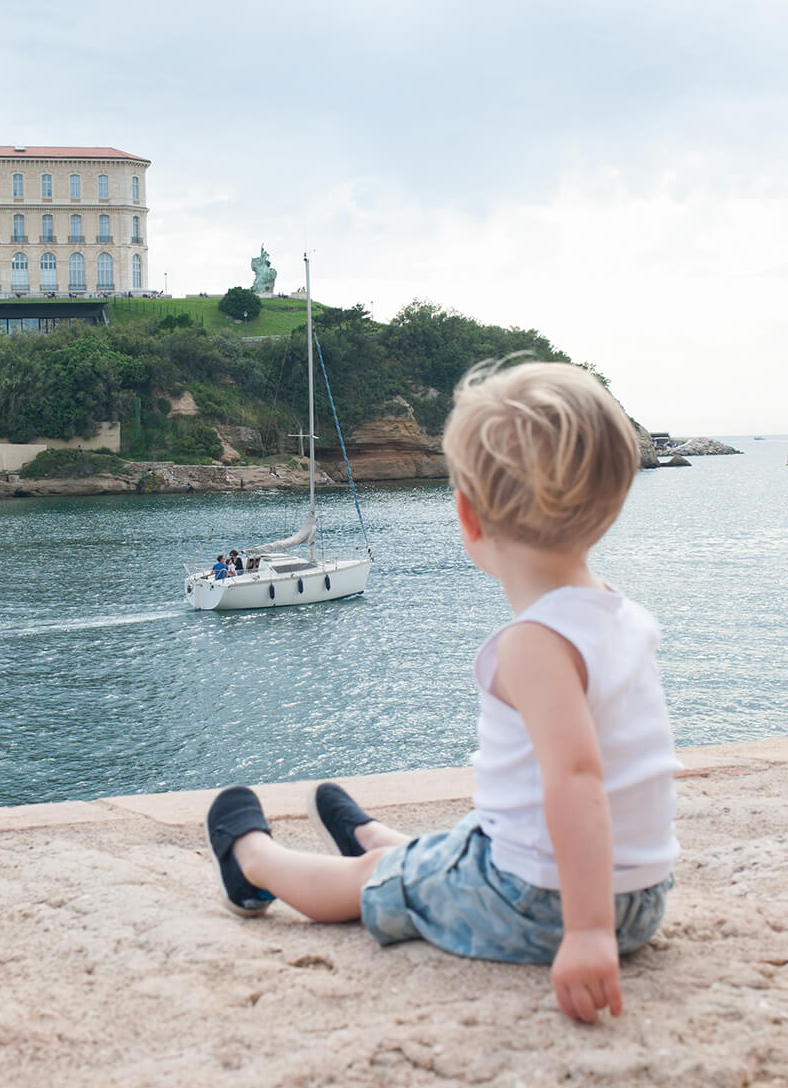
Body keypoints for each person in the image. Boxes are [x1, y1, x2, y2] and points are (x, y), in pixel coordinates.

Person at [206, 361, 680, 1023]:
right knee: (459, 844)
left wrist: (588, 930)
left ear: (467, 514)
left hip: (546, 901)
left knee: (365, 885)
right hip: (643, 891)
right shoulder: (625, 618)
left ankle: (255, 861)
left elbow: (577, 780)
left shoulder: (536, 643)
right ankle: (378, 837)